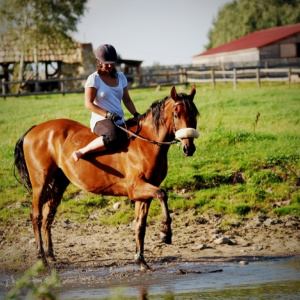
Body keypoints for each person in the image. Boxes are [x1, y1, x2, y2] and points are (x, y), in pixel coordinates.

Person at [73, 44, 140, 161]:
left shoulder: (121, 77)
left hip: (119, 118)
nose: (109, 65)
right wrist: (107, 114)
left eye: (112, 62)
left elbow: (127, 99)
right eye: (106, 63)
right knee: (113, 136)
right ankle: (82, 151)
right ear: (98, 61)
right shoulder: (94, 79)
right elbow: (88, 104)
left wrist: (136, 114)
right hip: (101, 120)